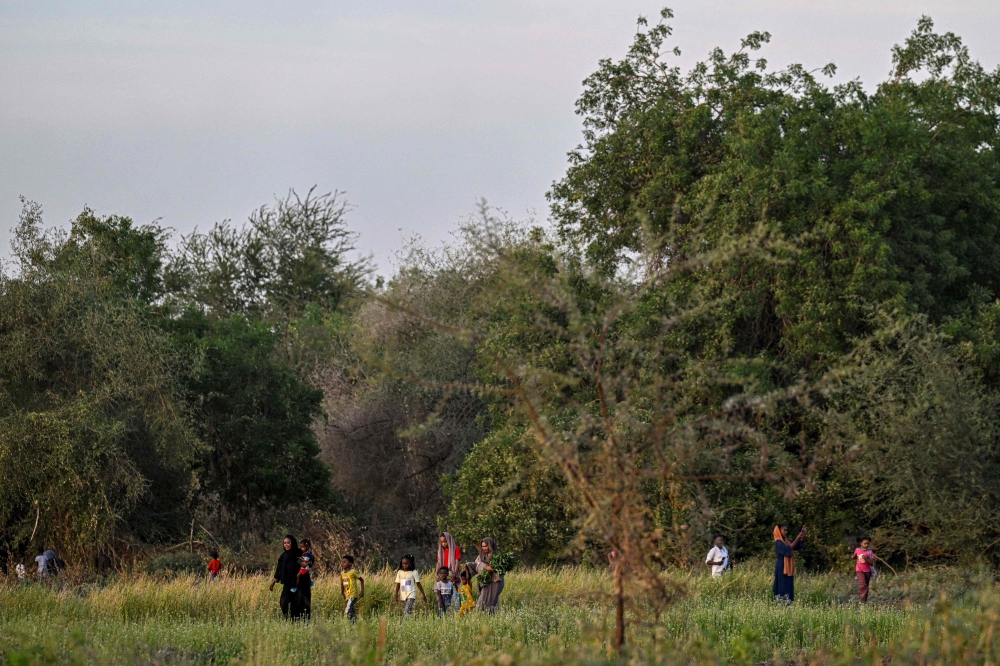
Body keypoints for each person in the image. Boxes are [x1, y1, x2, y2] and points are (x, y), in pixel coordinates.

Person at [269, 535, 303, 619]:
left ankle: (296, 621)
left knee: (296, 604)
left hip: (298, 584)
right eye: (284, 543)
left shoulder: (298, 553)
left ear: (293, 543)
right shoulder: (284, 555)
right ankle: (289, 620)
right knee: (283, 602)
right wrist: (274, 580)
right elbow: (279, 568)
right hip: (287, 584)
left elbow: (305, 566)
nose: (286, 545)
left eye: (288, 543)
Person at [468, 537, 504, 613]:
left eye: (486, 546)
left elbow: (500, 570)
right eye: (483, 546)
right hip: (485, 582)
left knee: (492, 601)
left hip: (495, 582)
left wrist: (491, 568)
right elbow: (477, 565)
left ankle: (492, 618)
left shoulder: (498, 556)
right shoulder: (481, 557)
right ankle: (481, 617)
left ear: (490, 545)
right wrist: (484, 567)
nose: (484, 548)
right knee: (482, 601)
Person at [773, 525, 806, 603]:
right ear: (779, 531)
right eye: (784, 530)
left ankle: (788, 602)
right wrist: (797, 537)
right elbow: (788, 549)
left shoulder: (786, 541)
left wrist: (801, 535)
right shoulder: (778, 542)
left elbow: (796, 545)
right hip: (782, 566)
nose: (786, 532)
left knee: (789, 584)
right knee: (782, 584)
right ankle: (781, 602)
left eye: (786, 530)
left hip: (788, 566)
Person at [293, 539, 314, 620]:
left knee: (304, 601)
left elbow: (307, 563)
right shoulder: (306, 554)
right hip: (304, 578)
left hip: (304, 581)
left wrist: (302, 561)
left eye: (302, 547)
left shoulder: (307, 555)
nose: (301, 548)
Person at [340, 555, 364, 623]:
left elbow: (362, 580)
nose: (343, 564)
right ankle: (355, 623)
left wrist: (362, 591)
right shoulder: (342, 573)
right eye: (342, 562)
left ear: (350, 563)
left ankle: (345, 623)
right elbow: (342, 583)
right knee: (352, 610)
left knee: (347, 610)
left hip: (353, 595)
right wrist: (342, 592)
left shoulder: (353, 572)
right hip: (347, 595)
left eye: (345, 562)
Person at [854, 537, 875, 603]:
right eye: (864, 543)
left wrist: (866, 559)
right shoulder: (857, 549)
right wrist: (853, 557)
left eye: (867, 544)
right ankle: (860, 596)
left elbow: (871, 563)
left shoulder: (869, 552)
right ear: (861, 543)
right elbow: (855, 556)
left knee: (866, 586)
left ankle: (864, 602)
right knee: (863, 585)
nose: (866, 545)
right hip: (859, 570)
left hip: (867, 571)